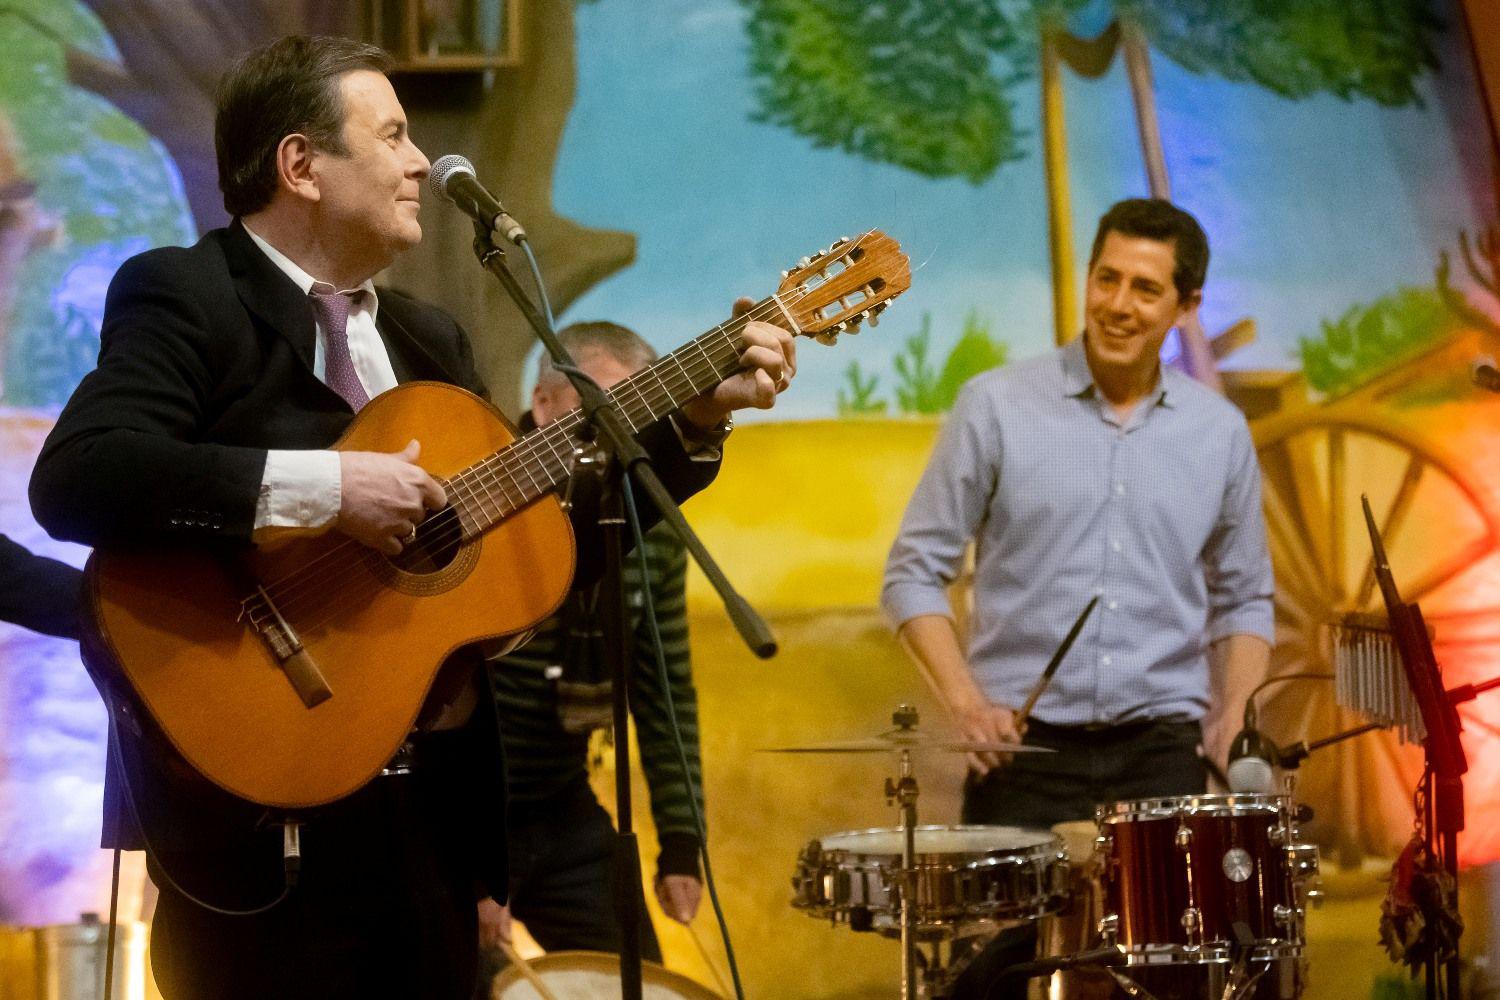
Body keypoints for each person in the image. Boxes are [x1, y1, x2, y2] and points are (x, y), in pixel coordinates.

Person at [28, 35, 796, 1000]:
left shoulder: (430, 340)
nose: (422, 162)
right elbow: (81, 476)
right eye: (391, 135)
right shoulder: (189, 294)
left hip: (429, 830)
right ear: (301, 165)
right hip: (261, 826)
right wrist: (330, 489)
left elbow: (533, 551)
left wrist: (693, 422)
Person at [880, 198, 1274, 995]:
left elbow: (1244, 600)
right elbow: (912, 573)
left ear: (1186, 306)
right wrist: (967, 704)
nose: (1118, 305)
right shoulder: (994, 406)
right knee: (992, 980)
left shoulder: (1220, 433)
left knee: (1167, 984)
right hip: (1023, 755)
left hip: (1161, 755)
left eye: (1145, 288)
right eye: (1107, 279)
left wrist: (1234, 712)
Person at [474, 322, 705, 988]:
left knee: (641, 981)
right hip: (465, 810)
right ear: (543, 404)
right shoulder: (485, 495)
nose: (627, 429)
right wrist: (476, 867)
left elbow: (664, 689)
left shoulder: (647, 518)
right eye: (607, 407)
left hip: (561, 804)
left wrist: (681, 844)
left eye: (641, 411)